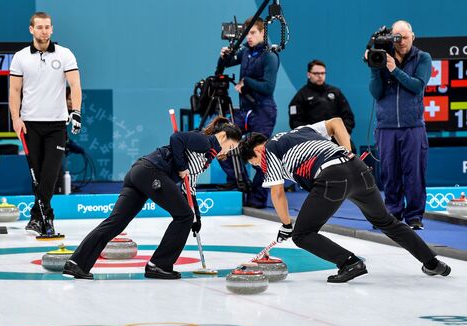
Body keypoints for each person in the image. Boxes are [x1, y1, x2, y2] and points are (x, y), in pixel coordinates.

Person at [240, 118, 451, 283]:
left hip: (332, 177)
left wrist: (286, 225)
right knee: (387, 222)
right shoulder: (302, 130)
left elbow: (277, 192)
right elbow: (336, 122)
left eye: (255, 163)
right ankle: (432, 262)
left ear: (258, 150)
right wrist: (348, 152)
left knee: (302, 234)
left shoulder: (269, 151)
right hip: (358, 170)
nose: (259, 167)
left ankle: (349, 262)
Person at [63, 117, 242, 280]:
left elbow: (190, 187)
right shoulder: (206, 140)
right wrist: (180, 167)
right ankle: (159, 264)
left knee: (117, 222)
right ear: (224, 136)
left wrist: (197, 217)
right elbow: (177, 139)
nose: (229, 151)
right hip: (151, 172)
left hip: (139, 174)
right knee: (183, 216)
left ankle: (77, 263)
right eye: (232, 146)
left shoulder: (205, 156)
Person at [9, 11, 82, 236]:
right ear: (31, 29)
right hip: (30, 124)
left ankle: (43, 217)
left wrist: (76, 112)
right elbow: (14, 90)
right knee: (37, 174)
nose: (44, 31)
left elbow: (75, 85)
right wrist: (15, 118)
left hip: (57, 124)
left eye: (47, 27)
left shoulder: (66, 54)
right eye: (39, 27)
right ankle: (41, 217)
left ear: (52, 29)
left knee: (50, 173)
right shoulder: (20, 57)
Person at [368, 20, 431, 230]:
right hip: (386, 127)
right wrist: (376, 69)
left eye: (405, 37)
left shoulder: (422, 58)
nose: (401, 42)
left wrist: (394, 70)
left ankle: (414, 217)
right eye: (397, 37)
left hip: (413, 126)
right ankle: (392, 214)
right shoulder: (382, 57)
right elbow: (376, 93)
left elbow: (417, 86)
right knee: (389, 173)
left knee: (414, 173)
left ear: (413, 36)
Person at [216, 16, 279, 209]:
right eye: (247, 33)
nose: (249, 37)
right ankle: (242, 183)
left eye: (253, 33)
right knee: (221, 139)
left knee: (261, 153)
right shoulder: (245, 52)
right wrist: (223, 56)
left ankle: (257, 199)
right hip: (245, 110)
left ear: (262, 33)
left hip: (263, 110)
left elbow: (268, 87)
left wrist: (247, 82)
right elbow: (222, 67)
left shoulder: (270, 55)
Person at [288, 59, 356, 152]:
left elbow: (348, 116)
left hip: (337, 138)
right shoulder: (300, 96)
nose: (320, 76)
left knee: (353, 155)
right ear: (309, 74)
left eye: (323, 73)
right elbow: (295, 123)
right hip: (314, 141)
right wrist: (313, 136)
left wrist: (345, 132)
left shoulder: (335, 92)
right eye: (316, 73)